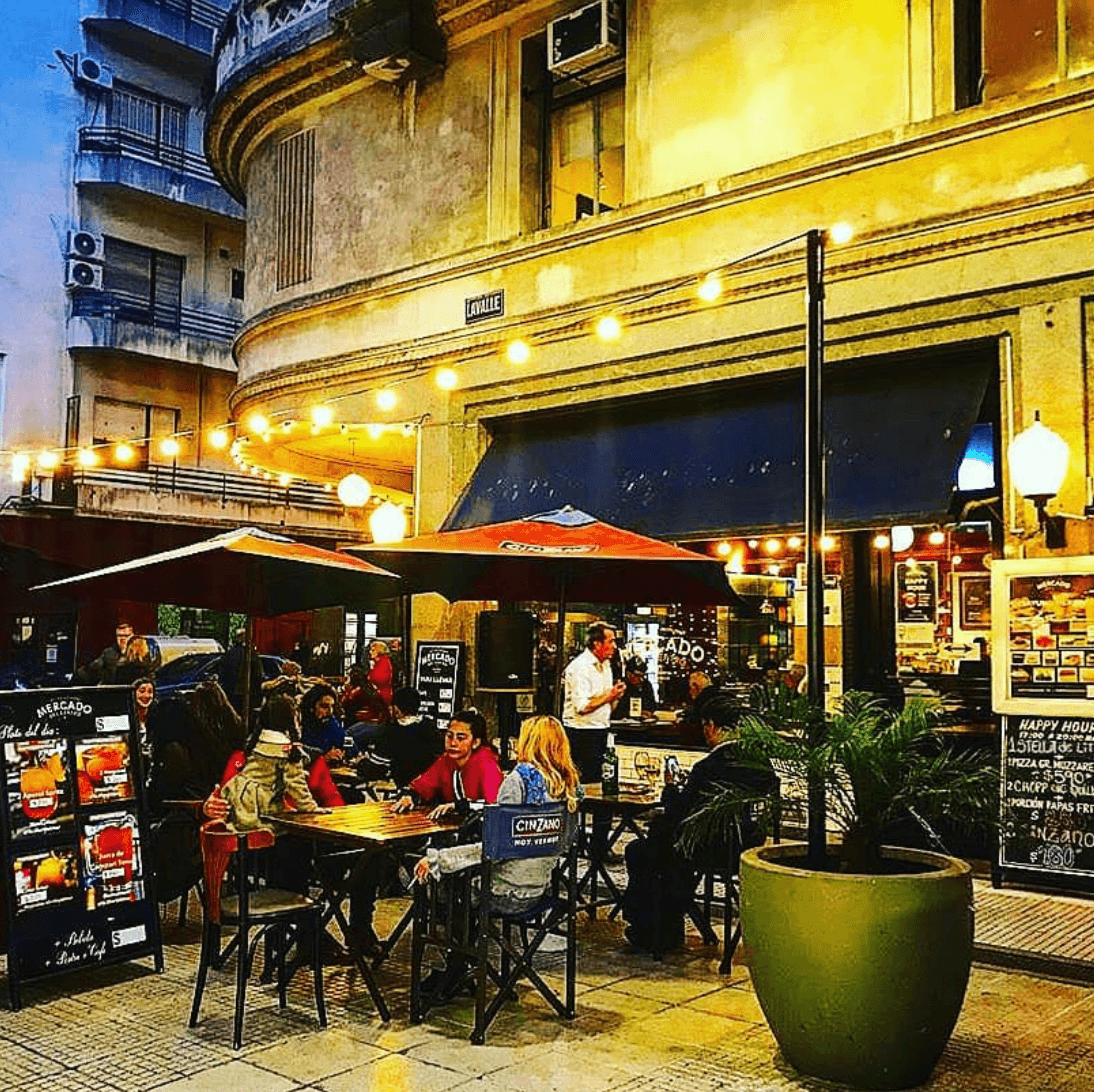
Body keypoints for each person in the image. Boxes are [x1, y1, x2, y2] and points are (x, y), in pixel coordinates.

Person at [411, 714, 582, 1000]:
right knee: (460, 890)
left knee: (442, 887)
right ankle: (462, 969)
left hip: (504, 890)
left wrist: (440, 859)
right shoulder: (570, 785)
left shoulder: (518, 781)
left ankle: (455, 971)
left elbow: (495, 849)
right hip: (539, 890)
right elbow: (565, 844)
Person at [621, 690, 777, 954]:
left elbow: (681, 812)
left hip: (705, 849)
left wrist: (670, 789)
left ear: (712, 726)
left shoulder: (709, 767)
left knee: (643, 850)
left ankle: (653, 930)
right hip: (745, 846)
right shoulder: (761, 765)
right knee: (664, 851)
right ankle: (666, 928)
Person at [346, 710, 503, 960]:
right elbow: (424, 783)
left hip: (473, 851)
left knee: (429, 874)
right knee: (374, 856)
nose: (452, 742)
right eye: (449, 736)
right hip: (442, 839)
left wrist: (460, 805)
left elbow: (497, 808)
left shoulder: (486, 764)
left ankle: (459, 955)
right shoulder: (446, 762)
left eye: (461, 738)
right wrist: (412, 795)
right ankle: (359, 931)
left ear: (476, 742)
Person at [218, 695, 328, 831]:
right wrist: (310, 807)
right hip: (260, 804)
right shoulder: (286, 749)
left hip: (237, 794)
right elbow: (295, 783)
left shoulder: (257, 741)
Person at [562, 622, 626, 782]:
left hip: (600, 731)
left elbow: (607, 706)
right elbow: (582, 706)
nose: (615, 646)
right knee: (583, 782)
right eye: (610, 641)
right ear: (597, 644)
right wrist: (610, 695)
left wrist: (616, 696)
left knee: (602, 779)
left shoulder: (606, 666)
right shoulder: (580, 667)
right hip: (581, 734)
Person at [372, 686, 442, 787]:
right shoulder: (429, 726)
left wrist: (361, 762)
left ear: (397, 708)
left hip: (399, 785)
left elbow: (377, 767)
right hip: (426, 785)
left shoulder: (390, 730)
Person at [216, 628, 264, 720]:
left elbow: (221, 672)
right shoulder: (250, 654)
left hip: (230, 692)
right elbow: (259, 674)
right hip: (246, 694)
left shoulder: (229, 654)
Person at [299, 682, 345, 765]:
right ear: (312, 707)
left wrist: (341, 752)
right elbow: (300, 753)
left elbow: (345, 742)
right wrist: (323, 758)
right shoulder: (300, 726)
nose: (330, 712)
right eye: (324, 706)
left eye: (332, 707)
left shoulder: (332, 722)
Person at [76, 621, 134, 685]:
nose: (122, 639)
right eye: (119, 636)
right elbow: (91, 670)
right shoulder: (109, 653)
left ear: (132, 636)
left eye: (126, 636)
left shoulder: (140, 653)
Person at [613, 656, 658, 721]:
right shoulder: (620, 686)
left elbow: (653, 705)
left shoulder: (646, 685)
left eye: (642, 675)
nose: (641, 679)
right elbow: (615, 712)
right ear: (628, 674)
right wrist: (633, 713)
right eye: (637, 676)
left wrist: (649, 712)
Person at [367, 640, 395, 710]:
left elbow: (380, 679)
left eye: (373, 650)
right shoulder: (377, 663)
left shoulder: (384, 662)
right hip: (378, 696)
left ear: (379, 651)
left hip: (382, 697)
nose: (370, 652)